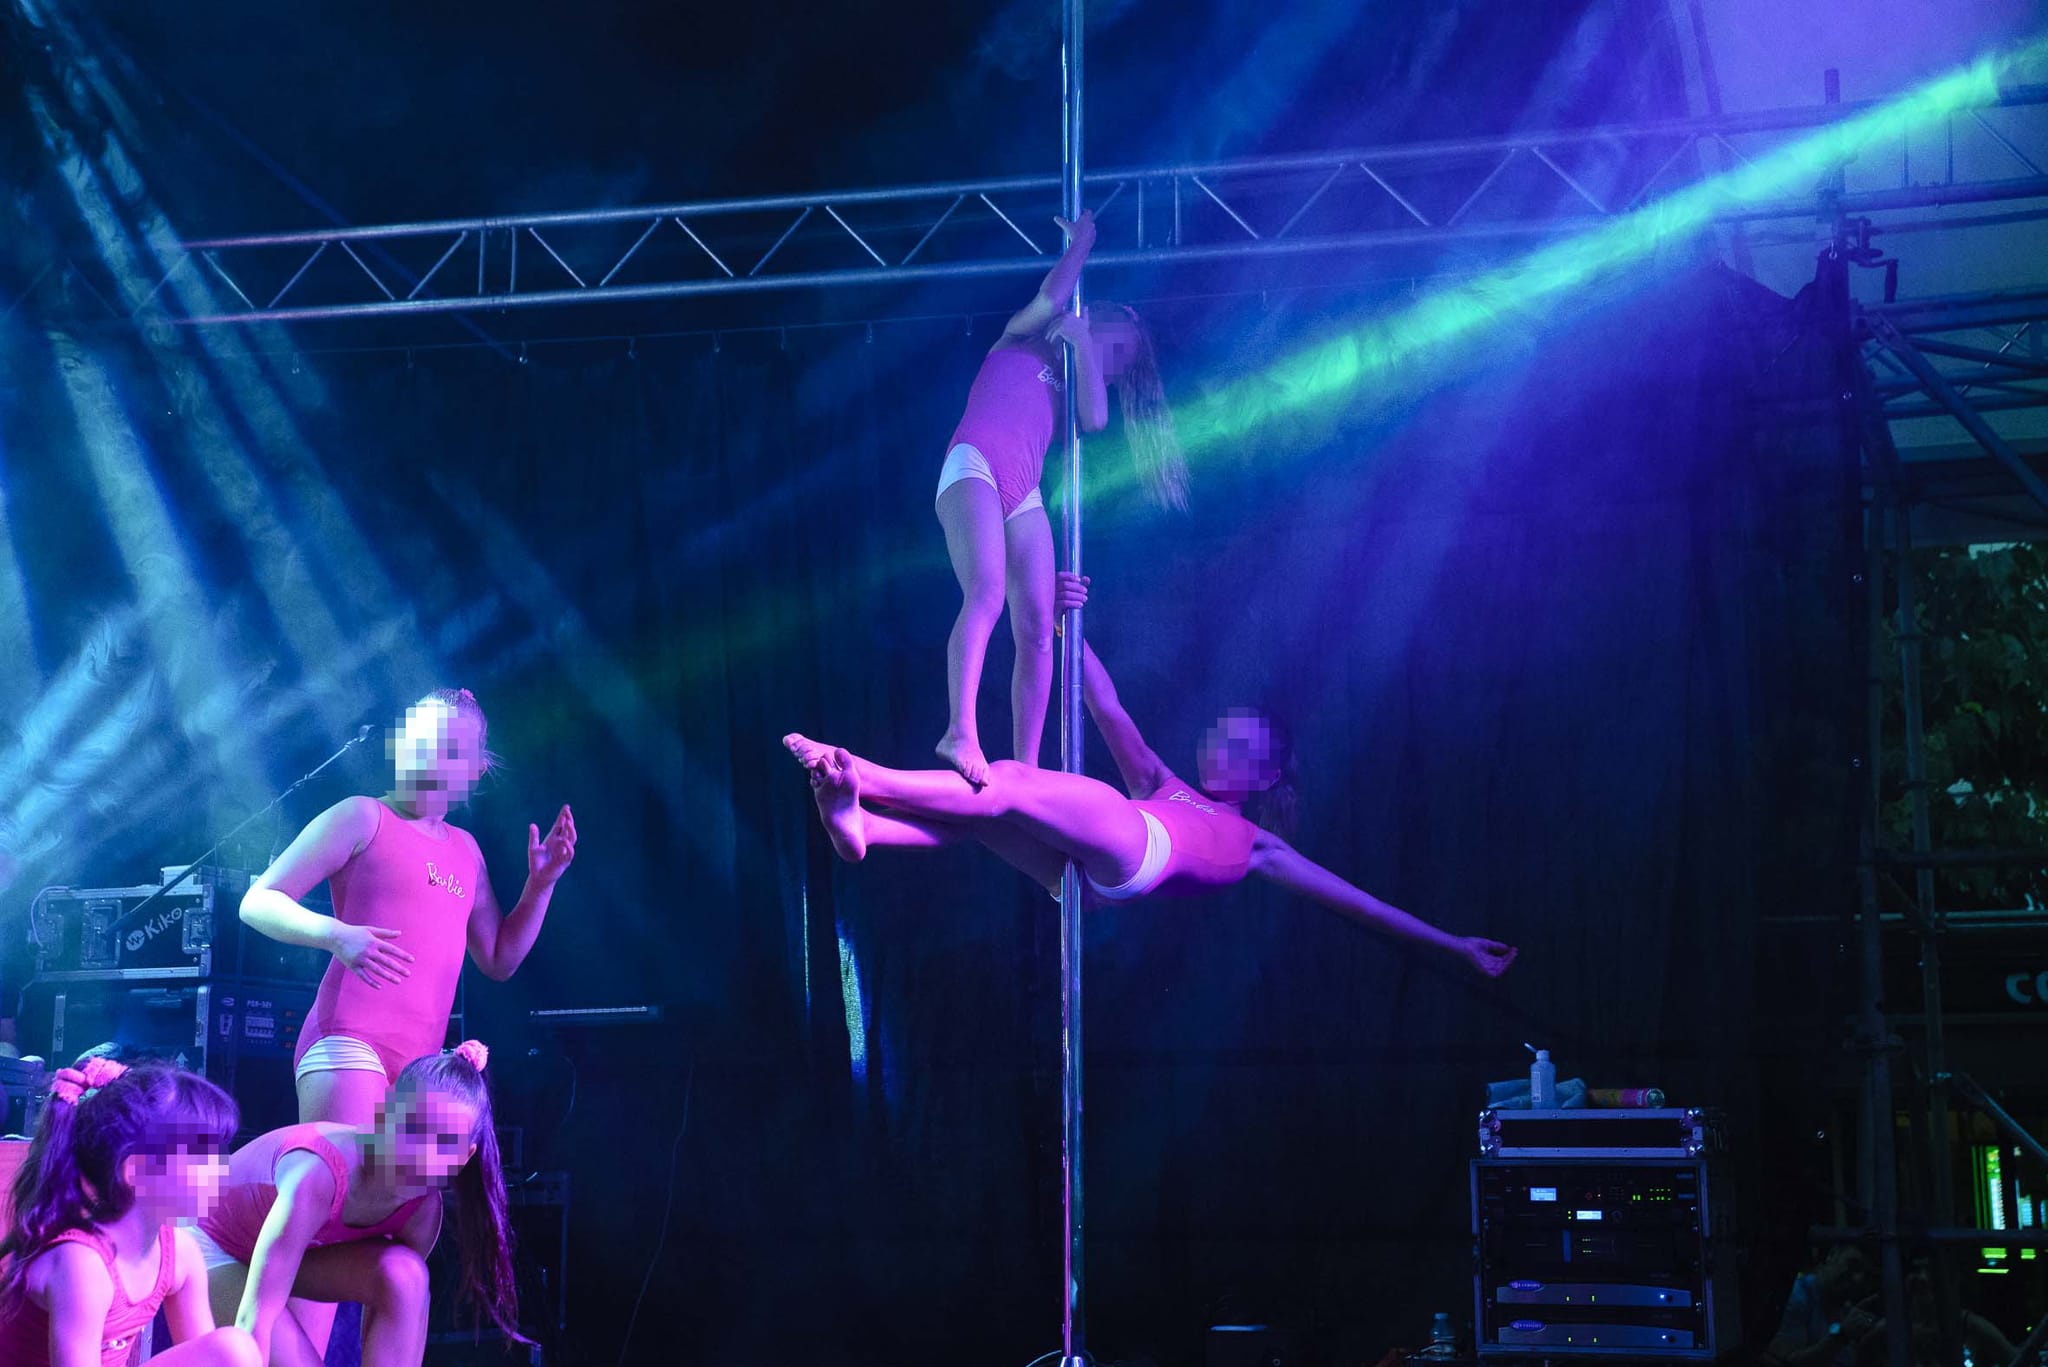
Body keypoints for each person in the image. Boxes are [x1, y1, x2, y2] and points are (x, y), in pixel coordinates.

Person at [786, 575, 1517, 978]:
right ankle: (866, 828)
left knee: (1005, 779)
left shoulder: (1258, 844)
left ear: (1265, 774)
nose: (1218, 742)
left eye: (1239, 743)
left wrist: (1452, 947)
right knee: (986, 818)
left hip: (1140, 849)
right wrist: (1068, 622)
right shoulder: (1162, 781)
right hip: (1095, 882)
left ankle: (861, 775)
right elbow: (1103, 702)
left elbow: (1359, 905)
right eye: (1220, 731)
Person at [238, 688, 577, 1127]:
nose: (432, 758)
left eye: (450, 751)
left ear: (476, 770)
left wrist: (541, 885)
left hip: (421, 1068)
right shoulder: (362, 817)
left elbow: (498, 958)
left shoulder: (467, 851)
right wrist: (337, 935)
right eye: (423, 742)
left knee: (407, 1178)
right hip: (348, 1040)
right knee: (355, 1169)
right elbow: (259, 900)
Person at [935, 207, 1188, 785]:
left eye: (1118, 362)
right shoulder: (1020, 336)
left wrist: (1084, 348)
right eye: (1113, 344)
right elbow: (1052, 298)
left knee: (1038, 624)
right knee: (986, 592)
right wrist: (1082, 244)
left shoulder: (1076, 381)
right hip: (972, 465)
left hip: (1021, 490)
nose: (1111, 361)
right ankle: (960, 730)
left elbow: (1095, 419)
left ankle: (1025, 769)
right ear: (1090, 316)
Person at [194, 1042, 522, 1367]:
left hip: (284, 1256)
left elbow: (401, 1304)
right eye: (412, 1128)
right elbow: (254, 1320)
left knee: (407, 1276)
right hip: (212, 1245)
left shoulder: (423, 1211)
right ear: (386, 1111)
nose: (420, 1155)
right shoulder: (317, 1174)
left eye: (442, 1144)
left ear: (464, 1158)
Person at [0, 1055, 259, 1367]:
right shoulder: (83, 1264)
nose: (219, 1171)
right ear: (136, 1172)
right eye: (201, 1158)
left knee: (232, 1349)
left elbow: (209, 1357)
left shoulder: (180, 1253)